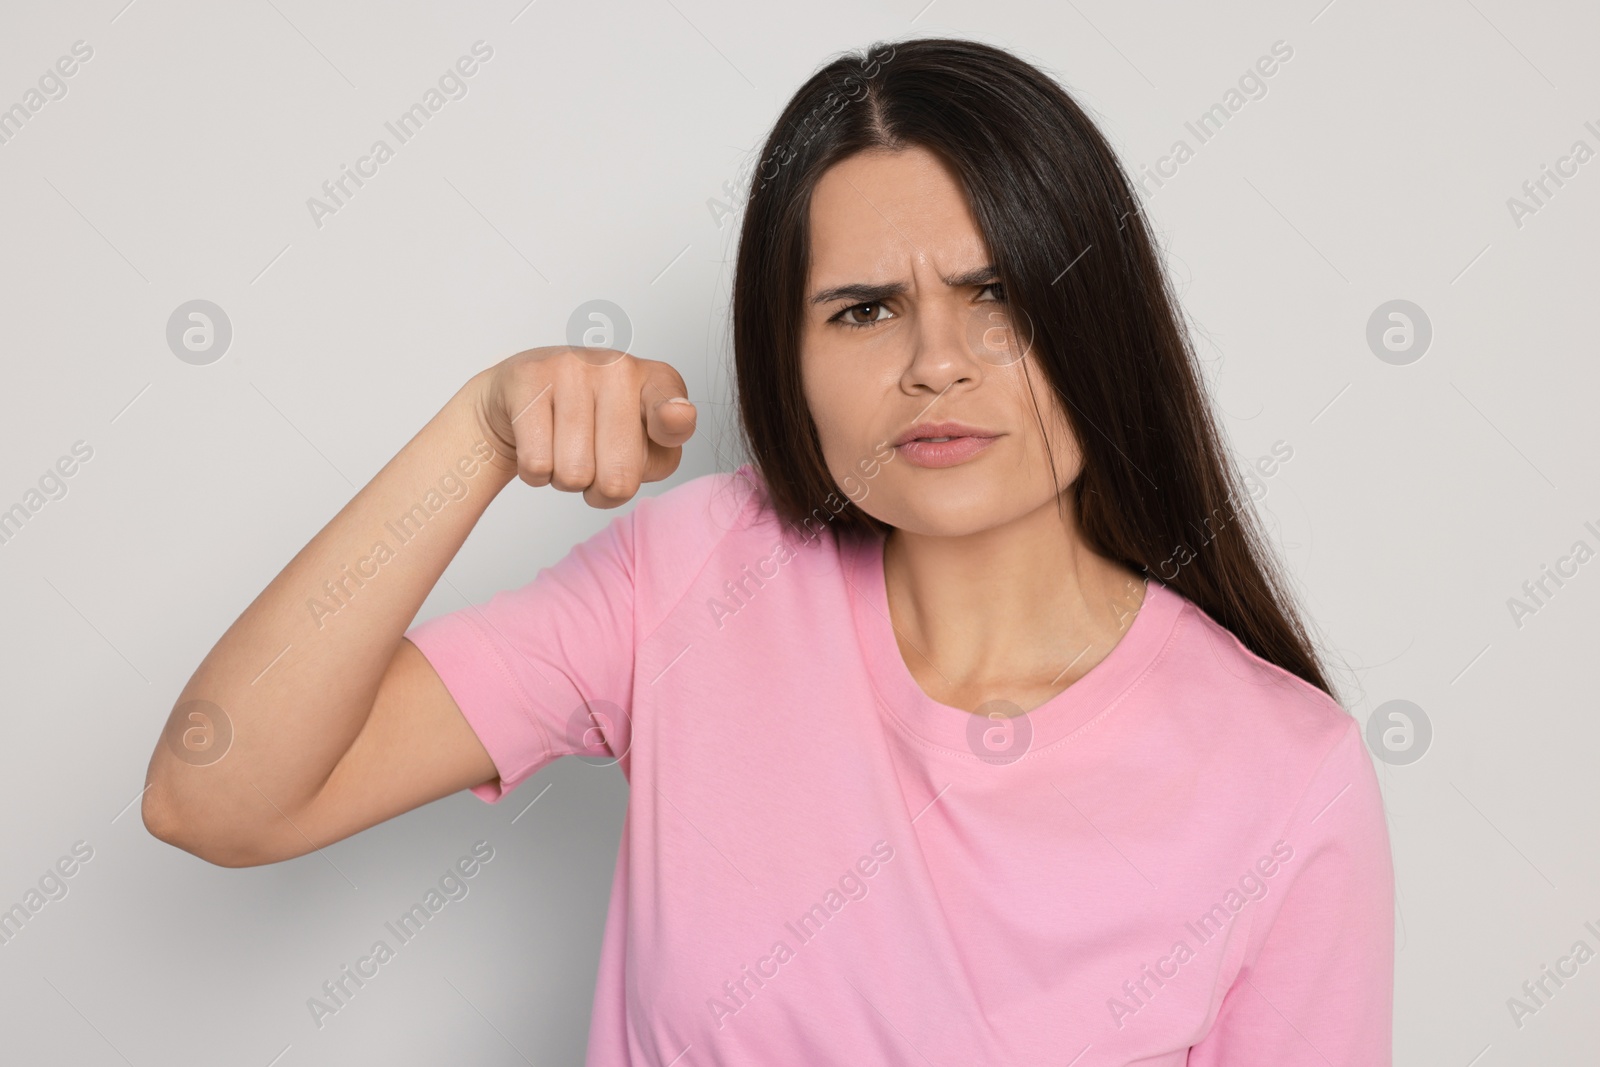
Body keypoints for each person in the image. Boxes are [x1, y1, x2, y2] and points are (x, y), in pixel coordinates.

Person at [143, 36, 1394, 1065]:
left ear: (1097, 312)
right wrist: (478, 432)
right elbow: (216, 793)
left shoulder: (1283, 772)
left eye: (998, 294)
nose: (935, 361)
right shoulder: (692, 574)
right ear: (786, 362)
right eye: (865, 308)